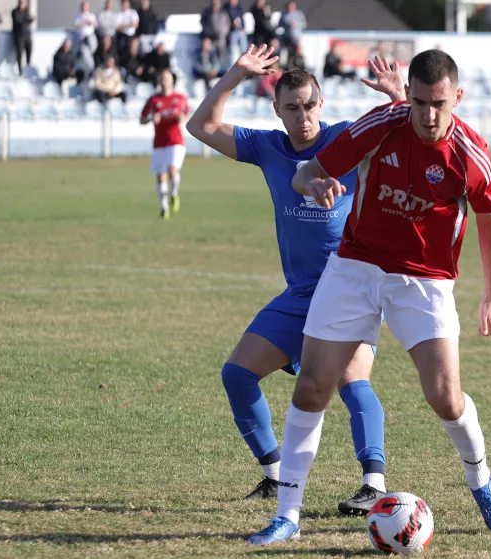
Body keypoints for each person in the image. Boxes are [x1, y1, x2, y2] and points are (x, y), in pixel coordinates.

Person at [247, 48, 491, 545]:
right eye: (419, 102)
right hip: (355, 267)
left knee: (445, 397)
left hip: (424, 280)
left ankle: (481, 481)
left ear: (457, 97)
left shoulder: (470, 153)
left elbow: (490, 214)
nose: (428, 115)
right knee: (312, 387)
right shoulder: (382, 123)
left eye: (439, 104)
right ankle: (287, 516)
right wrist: (314, 185)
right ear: (407, 95)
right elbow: (305, 172)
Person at [185, 44, 405, 512]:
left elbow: (408, 135)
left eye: (309, 106)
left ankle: (374, 484)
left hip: (350, 288)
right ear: (277, 110)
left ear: (321, 104)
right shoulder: (267, 147)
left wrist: (397, 96)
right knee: (237, 374)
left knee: (352, 380)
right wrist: (235, 75)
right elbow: (199, 126)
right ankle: (274, 473)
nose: (303, 117)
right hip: (301, 294)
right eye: (292, 108)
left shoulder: (345, 139)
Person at [140, 69, 188, 219]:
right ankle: (164, 207)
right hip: (159, 143)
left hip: (176, 141)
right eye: (162, 78)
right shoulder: (153, 100)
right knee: (161, 176)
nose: (164, 81)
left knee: (172, 169)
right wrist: (151, 119)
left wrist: (182, 118)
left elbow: (187, 114)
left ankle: (174, 194)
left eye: (167, 78)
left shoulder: (180, 98)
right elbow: (142, 119)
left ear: (172, 80)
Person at [11, 0, 34, 75]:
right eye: (20, 3)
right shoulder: (15, 12)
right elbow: (18, 21)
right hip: (19, 36)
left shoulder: (26, 11)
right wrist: (26, 20)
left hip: (27, 35)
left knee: (29, 53)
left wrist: (26, 20)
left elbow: (29, 19)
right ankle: (20, 71)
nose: (22, 4)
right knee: (20, 53)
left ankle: (28, 69)